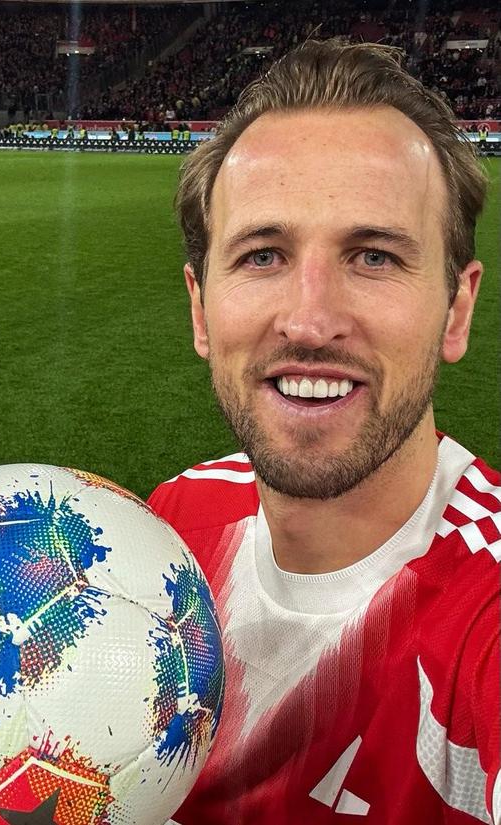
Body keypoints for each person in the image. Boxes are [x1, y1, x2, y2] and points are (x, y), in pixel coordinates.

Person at [148, 39, 499, 825]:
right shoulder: (171, 527)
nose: (310, 321)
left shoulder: (485, 605)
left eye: (373, 256)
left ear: (457, 309)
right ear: (201, 309)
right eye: (262, 255)